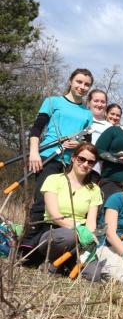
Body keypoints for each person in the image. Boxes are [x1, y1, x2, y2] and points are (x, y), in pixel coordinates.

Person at [26, 68, 94, 226]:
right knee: (41, 202)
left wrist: (79, 145)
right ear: (70, 81)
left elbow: (87, 143)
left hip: (71, 164)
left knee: (63, 205)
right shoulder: (53, 101)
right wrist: (34, 152)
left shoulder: (87, 114)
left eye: (86, 84)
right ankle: (29, 243)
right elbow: (36, 129)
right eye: (79, 82)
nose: (82, 86)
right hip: (49, 157)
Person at [32, 143, 103, 271]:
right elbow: (55, 216)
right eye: (82, 159)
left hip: (80, 239)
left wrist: (89, 238)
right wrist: (78, 229)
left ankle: (62, 264)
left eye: (91, 162)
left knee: (94, 273)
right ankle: (50, 260)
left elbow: (91, 223)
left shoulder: (95, 190)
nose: (86, 164)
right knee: (70, 236)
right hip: (54, 233)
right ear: (73, 158)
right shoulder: (54, 179)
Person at [88, 89, 110, 183]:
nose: (99, 104)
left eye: (103, 102)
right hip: (75, 166)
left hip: (95, 171)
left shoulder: (109, 127)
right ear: (89, 103)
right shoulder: (81, 119)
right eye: (96, 101)